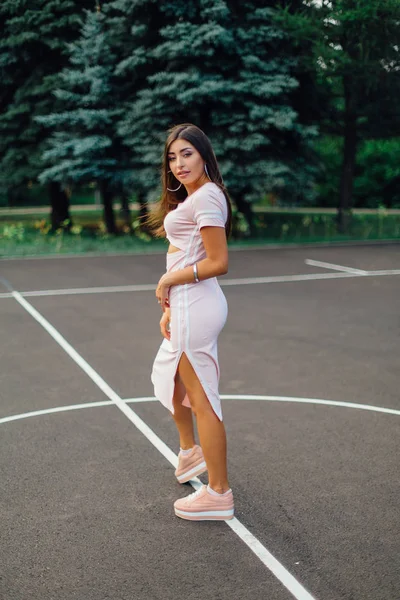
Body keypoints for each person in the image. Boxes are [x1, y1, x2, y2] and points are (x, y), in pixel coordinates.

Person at [150, 123, 234, 521]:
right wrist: (169, 302)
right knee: (170, 381)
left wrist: (170, 281)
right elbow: (183, 251)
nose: (179, 163)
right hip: (186, 305)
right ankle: (189, 453)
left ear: (203, 155)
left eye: (186, 154)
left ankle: (218, 493)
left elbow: (218, 262)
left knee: (202, 401)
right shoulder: (193, 198)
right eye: (172, 156)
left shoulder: (208, 198)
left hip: (197, 306)